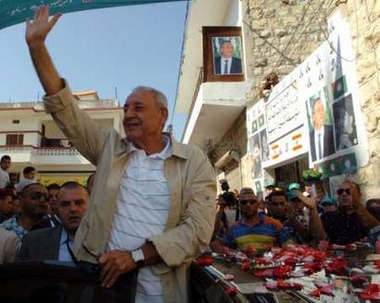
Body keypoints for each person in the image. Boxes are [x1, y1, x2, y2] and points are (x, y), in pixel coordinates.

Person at [25, 6, 216, 302]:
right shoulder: (110, 149)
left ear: (162, 115)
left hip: (162, 292)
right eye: (126, 108)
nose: (128, 115)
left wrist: (136, 257)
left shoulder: (193, 161)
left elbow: (198, 231)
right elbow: (66, 111)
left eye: (138, 107)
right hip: (104, 287)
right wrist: (37, 47)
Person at [18, 182, 89, 261]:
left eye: (79, 203)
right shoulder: (33, 242)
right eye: (65, 204)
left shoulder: (105, 243)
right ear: (57, 209)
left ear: (91, 205)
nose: (73, 209)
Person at [211, 187, 293, 252]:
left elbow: (290, 247)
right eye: (244, 202)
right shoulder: (234, 228)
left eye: (252, 202)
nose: (248, 205)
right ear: (239, 206)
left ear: (257, 204)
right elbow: (225, 248)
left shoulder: (274, 224)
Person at [321, 180, 379, 245]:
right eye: (340, 192)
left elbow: (376, 229)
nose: (344, 194)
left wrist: (357, 204)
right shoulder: (329, 217)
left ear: (359, 195)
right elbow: (323, 239)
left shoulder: (372, 212)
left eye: (349, 191)